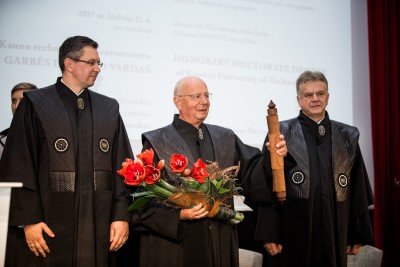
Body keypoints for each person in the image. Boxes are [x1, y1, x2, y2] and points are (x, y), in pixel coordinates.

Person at [125, 75, 287, 267]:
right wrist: (178, 216)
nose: (204, 102)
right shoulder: (157, 141)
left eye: (207, 95)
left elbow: (253, 174)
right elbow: (142, 202)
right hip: (175, 246)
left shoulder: (225, 137)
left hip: (219, 241)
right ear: (178, 102)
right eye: (196, 96)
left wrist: (271, 156)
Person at [0, 36, 133, 267]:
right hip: (49, 227)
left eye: (99, 63)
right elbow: (18, 165)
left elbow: (123, 167)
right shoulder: (35, 104)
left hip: (99, 226)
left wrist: (121, 215)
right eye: (91, 62)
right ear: (69, 64)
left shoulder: (108, 108)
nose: (97, 69)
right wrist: (29, 220)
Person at [255, 70, 374, 267]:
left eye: (320, 93)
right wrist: (269, 233)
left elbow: (357, 187)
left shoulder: (347, 136)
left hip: (335, 225)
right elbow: (268, 183)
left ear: (328, 97)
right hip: (293, 228)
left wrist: (357, 232)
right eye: (308, 95)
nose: (315, 99)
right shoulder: (281, 133)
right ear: (299, 100)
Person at [0, 82, 38, 158]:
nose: (16, 106)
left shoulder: (47, 136)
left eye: (23, 101)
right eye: (14, 101)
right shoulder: (1, 140)